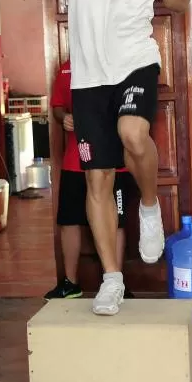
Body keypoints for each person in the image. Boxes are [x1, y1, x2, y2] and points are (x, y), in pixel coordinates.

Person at [18, 0, 192, 315]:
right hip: (89, 74)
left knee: (133, 133)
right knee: (96, 176)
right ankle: (112, 279)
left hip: (134, 59)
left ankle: (150, 206)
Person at [44, 59, 135, 300]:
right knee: (69, 221)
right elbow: (57, 105)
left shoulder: (119, 61)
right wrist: (63, 117)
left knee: (116, 221)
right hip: (76, 160)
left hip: (113, 160)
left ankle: (116, 282)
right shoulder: (66, 68)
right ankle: (70, 282)